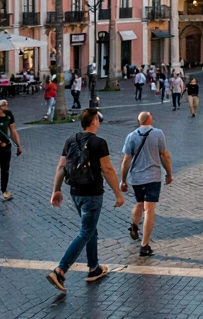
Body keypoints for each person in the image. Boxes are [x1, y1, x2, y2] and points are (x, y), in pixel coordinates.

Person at [46, 108, 125, 292]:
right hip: (93, 193)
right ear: (94, 121)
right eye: (98, 118)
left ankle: (94, 268)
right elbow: (107, 169)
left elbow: (61, 167)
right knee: (85, 232)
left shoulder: (70, 140)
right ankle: (60, 270)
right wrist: (118, 194)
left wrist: (56, 190)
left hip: (76, 192)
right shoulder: (99, 143)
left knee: (91, 230)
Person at [119, 111, 172, 257]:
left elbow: (126, 160)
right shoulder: (158, 134)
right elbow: (165, 155)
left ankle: (134, 225)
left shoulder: (131, 136)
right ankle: (144, 245)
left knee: (139, 203)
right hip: (153, 177)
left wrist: (123, 180)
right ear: (150, 119)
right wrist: (169, 173)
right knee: (149, 209)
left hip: (136, 177)